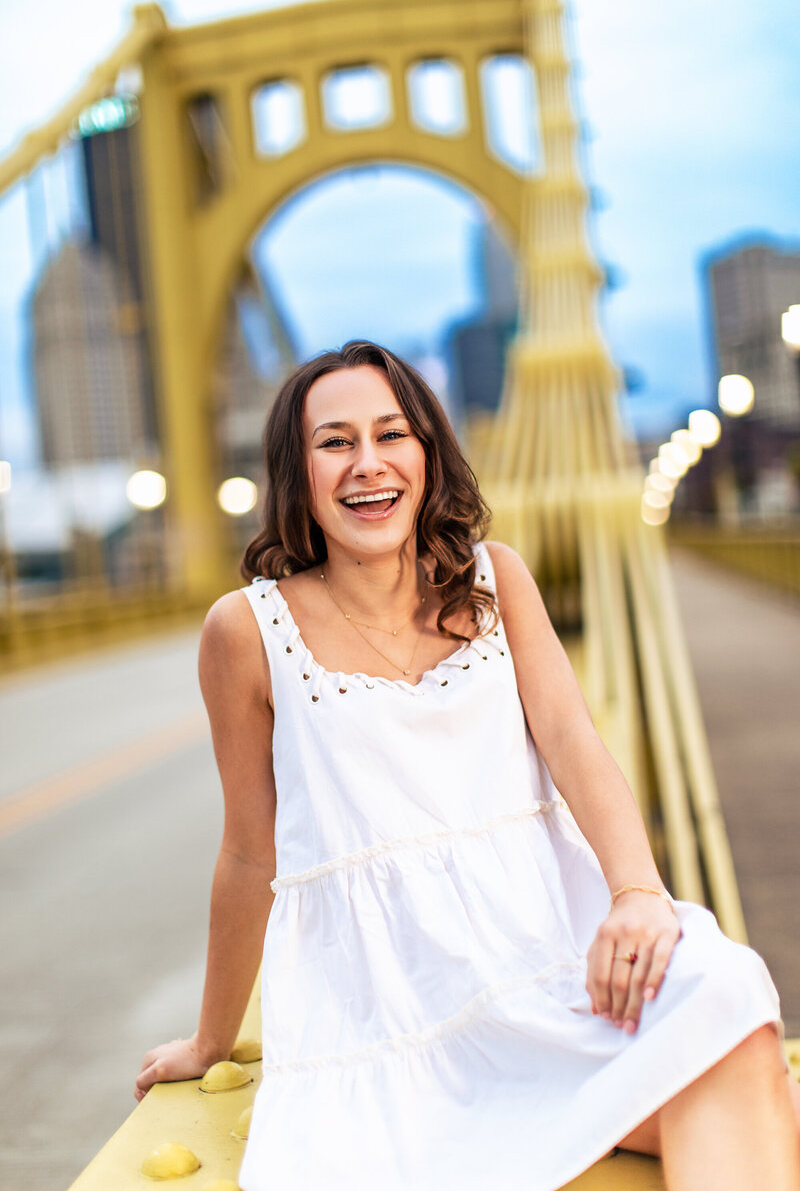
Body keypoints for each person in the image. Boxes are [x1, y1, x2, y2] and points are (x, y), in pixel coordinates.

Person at [136, 341, 800, 1191]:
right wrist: (209, 1041)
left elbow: (573, 741)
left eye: (392, 434)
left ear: (427, 453)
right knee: (758, 1092)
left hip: (555, 951)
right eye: (335, 442)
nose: (368, 463)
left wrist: (638, 894)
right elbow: (248, 853)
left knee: (729, 986)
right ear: (296, 473)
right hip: (405, 1003)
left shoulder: (497, 579)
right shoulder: (246, 631)